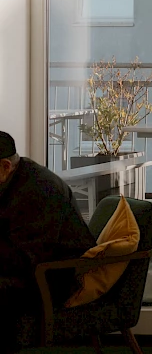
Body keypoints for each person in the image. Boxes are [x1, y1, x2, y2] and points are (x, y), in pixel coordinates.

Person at [0, 131, 95, 352]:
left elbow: (24, 259)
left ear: (5, 166)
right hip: (28, 266)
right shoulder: (14, 179)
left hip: (55, 277)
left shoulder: (38, 189)